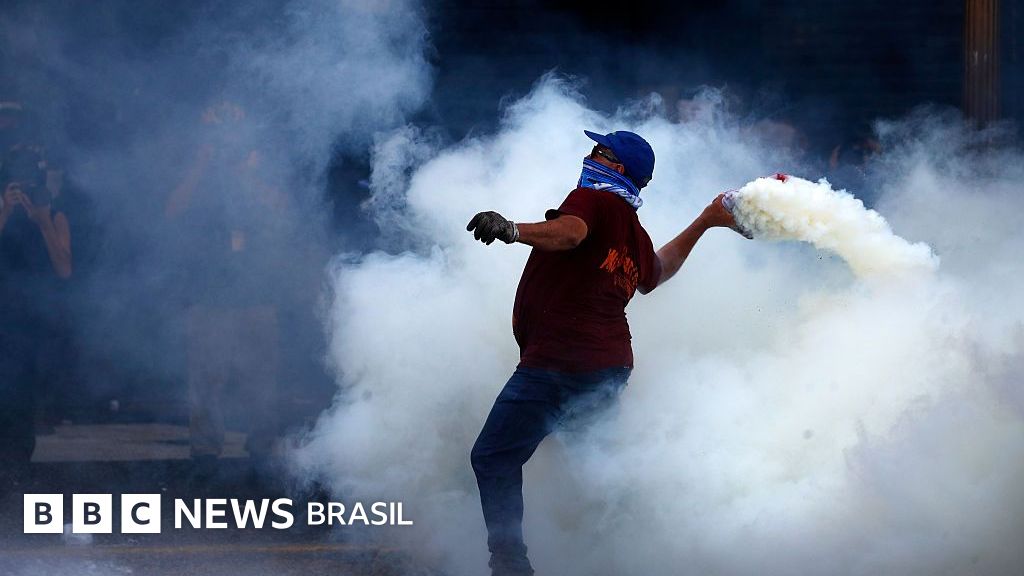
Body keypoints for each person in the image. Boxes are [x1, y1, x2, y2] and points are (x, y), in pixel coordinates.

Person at [466, 130, 746, 576]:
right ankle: (647, 550)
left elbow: (572, 233)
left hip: (558, 363)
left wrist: (513, 230)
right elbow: (655, 272)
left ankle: (510, 566)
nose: (588, 155)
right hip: (605, 368)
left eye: (599, 151)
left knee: (493, 458)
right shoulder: (633, 229)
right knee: (599, 470)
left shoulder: (591, 200)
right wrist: (706, 221)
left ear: (615, 168)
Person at [165, 101, 285, 477]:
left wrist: (245, 172)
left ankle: (262, 450)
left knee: (261, 381)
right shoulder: (197, 171)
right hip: (208, 295)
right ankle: (203, 452)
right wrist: (203, 162)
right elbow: (171, 211)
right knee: (205, 379)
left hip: (257, 294)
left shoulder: (258, 168)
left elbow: (282, 210)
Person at [0, 138, 73, 479]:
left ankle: (16, 467)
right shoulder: (2, 210)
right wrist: (5, 211)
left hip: (30, 319)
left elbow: (64, 269)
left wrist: (41, 220)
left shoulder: (54, 215)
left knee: (22, 394)